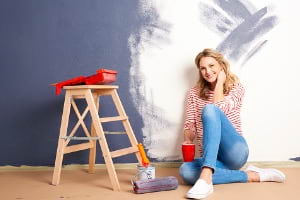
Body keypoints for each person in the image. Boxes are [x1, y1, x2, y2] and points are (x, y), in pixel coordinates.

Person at [179, 48, 286, 199]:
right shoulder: (193, 93)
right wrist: (188, 137)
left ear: (221, 66)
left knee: (210, 110)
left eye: (211, 66)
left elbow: (218, 108)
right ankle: (251, 175)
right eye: (203, 68)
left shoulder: (236, 88)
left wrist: (220, 83)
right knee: (186, 171)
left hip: (235, 151)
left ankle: (206, 176)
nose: (207, 72)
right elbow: (189, 123)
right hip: (212, 157)